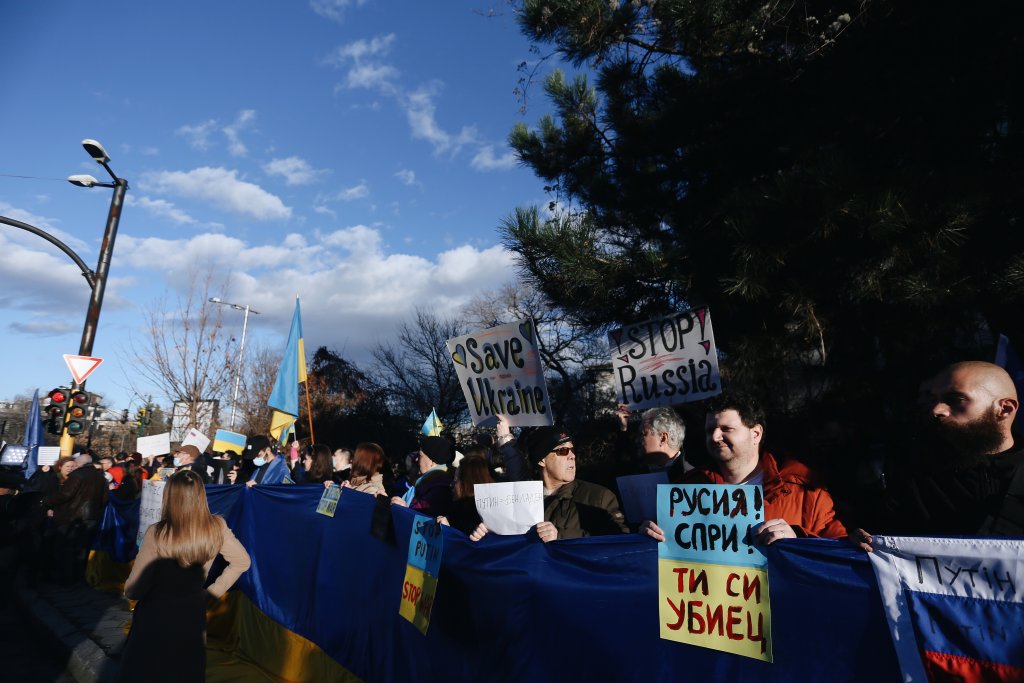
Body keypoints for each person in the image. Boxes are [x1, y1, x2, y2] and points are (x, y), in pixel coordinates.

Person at [852, 361, 1024, 550]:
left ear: (1005, 409)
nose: (936, 410)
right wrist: (859, 539)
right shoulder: (907, 474)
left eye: (956, 400)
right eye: (934, 399)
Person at [641, 392, 847, 544]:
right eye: (710, 430)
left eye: (726, 429)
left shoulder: (804, 491)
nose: (714, 437)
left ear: (755, 434)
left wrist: (798, 538)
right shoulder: (686, 490)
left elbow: (839, 552)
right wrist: (646, 534)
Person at [118, 470, 250, 682]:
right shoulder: (217, 527)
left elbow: (134, 589)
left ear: (169, 496)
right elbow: (242, 561)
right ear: (200, 494)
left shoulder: (158, 532)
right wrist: (211, 594)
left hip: (155, 616)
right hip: (192, 614)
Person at [391, 436, 455, 517]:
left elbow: (423, 517)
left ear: (432, 461)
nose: (416, 459)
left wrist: (405, 510)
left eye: (420, 455)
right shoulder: (428, 482)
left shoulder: (439, 488)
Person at [437, 453, 494, 536]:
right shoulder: (493, 512)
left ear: (468, 484)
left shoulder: (470, 521)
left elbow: (463, 546)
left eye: (455, 481)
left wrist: (448, 530)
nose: (451, 485)